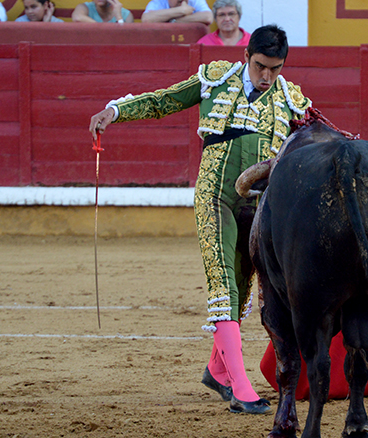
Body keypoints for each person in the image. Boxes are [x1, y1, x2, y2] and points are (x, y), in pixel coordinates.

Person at [88, 25, 311, 415]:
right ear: (247, 56)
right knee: (223, 283)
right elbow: (164, 101)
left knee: (242, 290)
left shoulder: (291, 99)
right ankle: (241, 389)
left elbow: (315, 143)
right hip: (216, 198)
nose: (266, 77)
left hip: (260, 207)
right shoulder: (215, 79)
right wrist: (115, 111)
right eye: (260, 66)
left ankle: (216, 371)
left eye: (275, 69)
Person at [141, 0, 211, 24]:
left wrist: (174, 21)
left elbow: (208, 17)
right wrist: (181, 10)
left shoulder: (195, 1)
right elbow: (146, 19)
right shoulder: (159, 2)